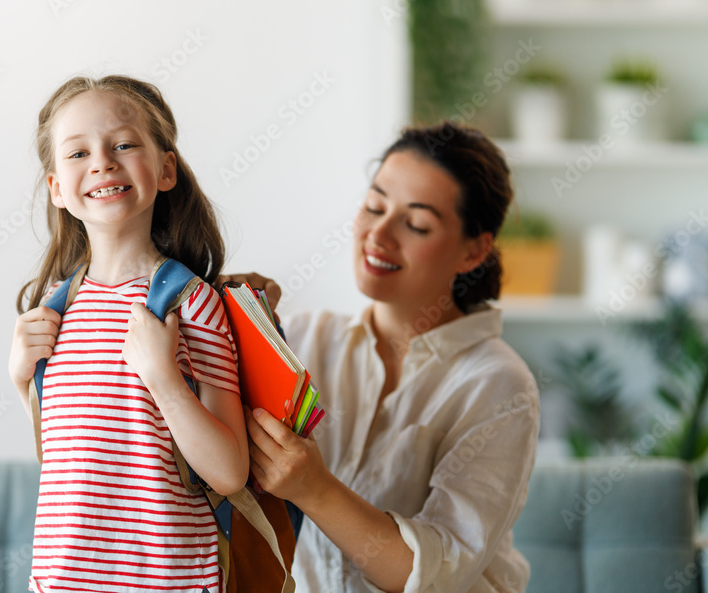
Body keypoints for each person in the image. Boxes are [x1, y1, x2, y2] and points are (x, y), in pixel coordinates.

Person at [225, 122, 540, 593]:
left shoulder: (499, 385)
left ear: (474, 251)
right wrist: (222, 315)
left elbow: (441, 574)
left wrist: (314, 488)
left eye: (416, 224)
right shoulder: (304, 338)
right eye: (375, 206)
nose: (379, 234)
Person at [7, 75, 248, 593]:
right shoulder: (54, 307)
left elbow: (229, 474)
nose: (102, 163)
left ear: (165, 169)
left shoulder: (191, 303)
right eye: (77, 154)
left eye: (123, 144)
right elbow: (75, 456)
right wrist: (20, 381)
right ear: (56, 189)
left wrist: (163, 378)